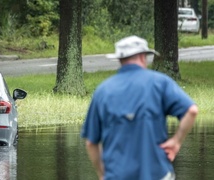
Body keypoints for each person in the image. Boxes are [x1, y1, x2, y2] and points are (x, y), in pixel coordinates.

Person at [81, 35, 198, 180]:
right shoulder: (160, 83)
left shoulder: (102, 91)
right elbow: (191, 110)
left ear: (120, 60)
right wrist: (176, 141)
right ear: (143, 57)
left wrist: (102, 174)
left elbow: (91, 142)